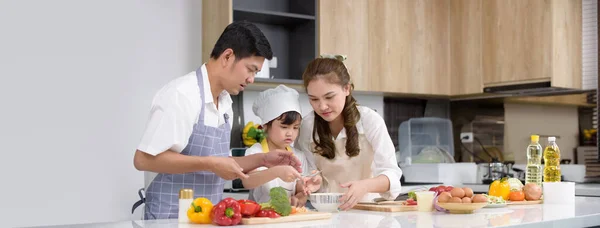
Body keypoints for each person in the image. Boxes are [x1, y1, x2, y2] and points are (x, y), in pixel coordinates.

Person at [133, 21, 303, 219]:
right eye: (250, 69)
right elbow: (143, 159)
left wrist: (263, 160)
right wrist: (210, 164)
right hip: (170, 217)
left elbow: (220, 162)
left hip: (207, 217)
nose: (251, 79)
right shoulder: (182, 95)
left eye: (256, 73)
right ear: (228, 56)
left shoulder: (224, 102)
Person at [295, 55, 402, 211]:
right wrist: (312, 181)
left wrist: (365, 186)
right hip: (326, 214)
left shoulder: (369, 120)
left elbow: (392, 174)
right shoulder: (307, 126)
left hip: (368, 213)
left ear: (347, 89)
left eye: (329, 97)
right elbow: (308, 173)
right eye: (314, 99)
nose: (322, 106)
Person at [242, 85, 322, 207]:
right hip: (260, 218)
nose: (290, 133)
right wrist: (276, 172)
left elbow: (301, 190)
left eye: (296, 127)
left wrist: (300, 197)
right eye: (284, 127)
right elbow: (247, 181)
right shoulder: (255, 152)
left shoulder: (298, 156)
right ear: (265, 126)